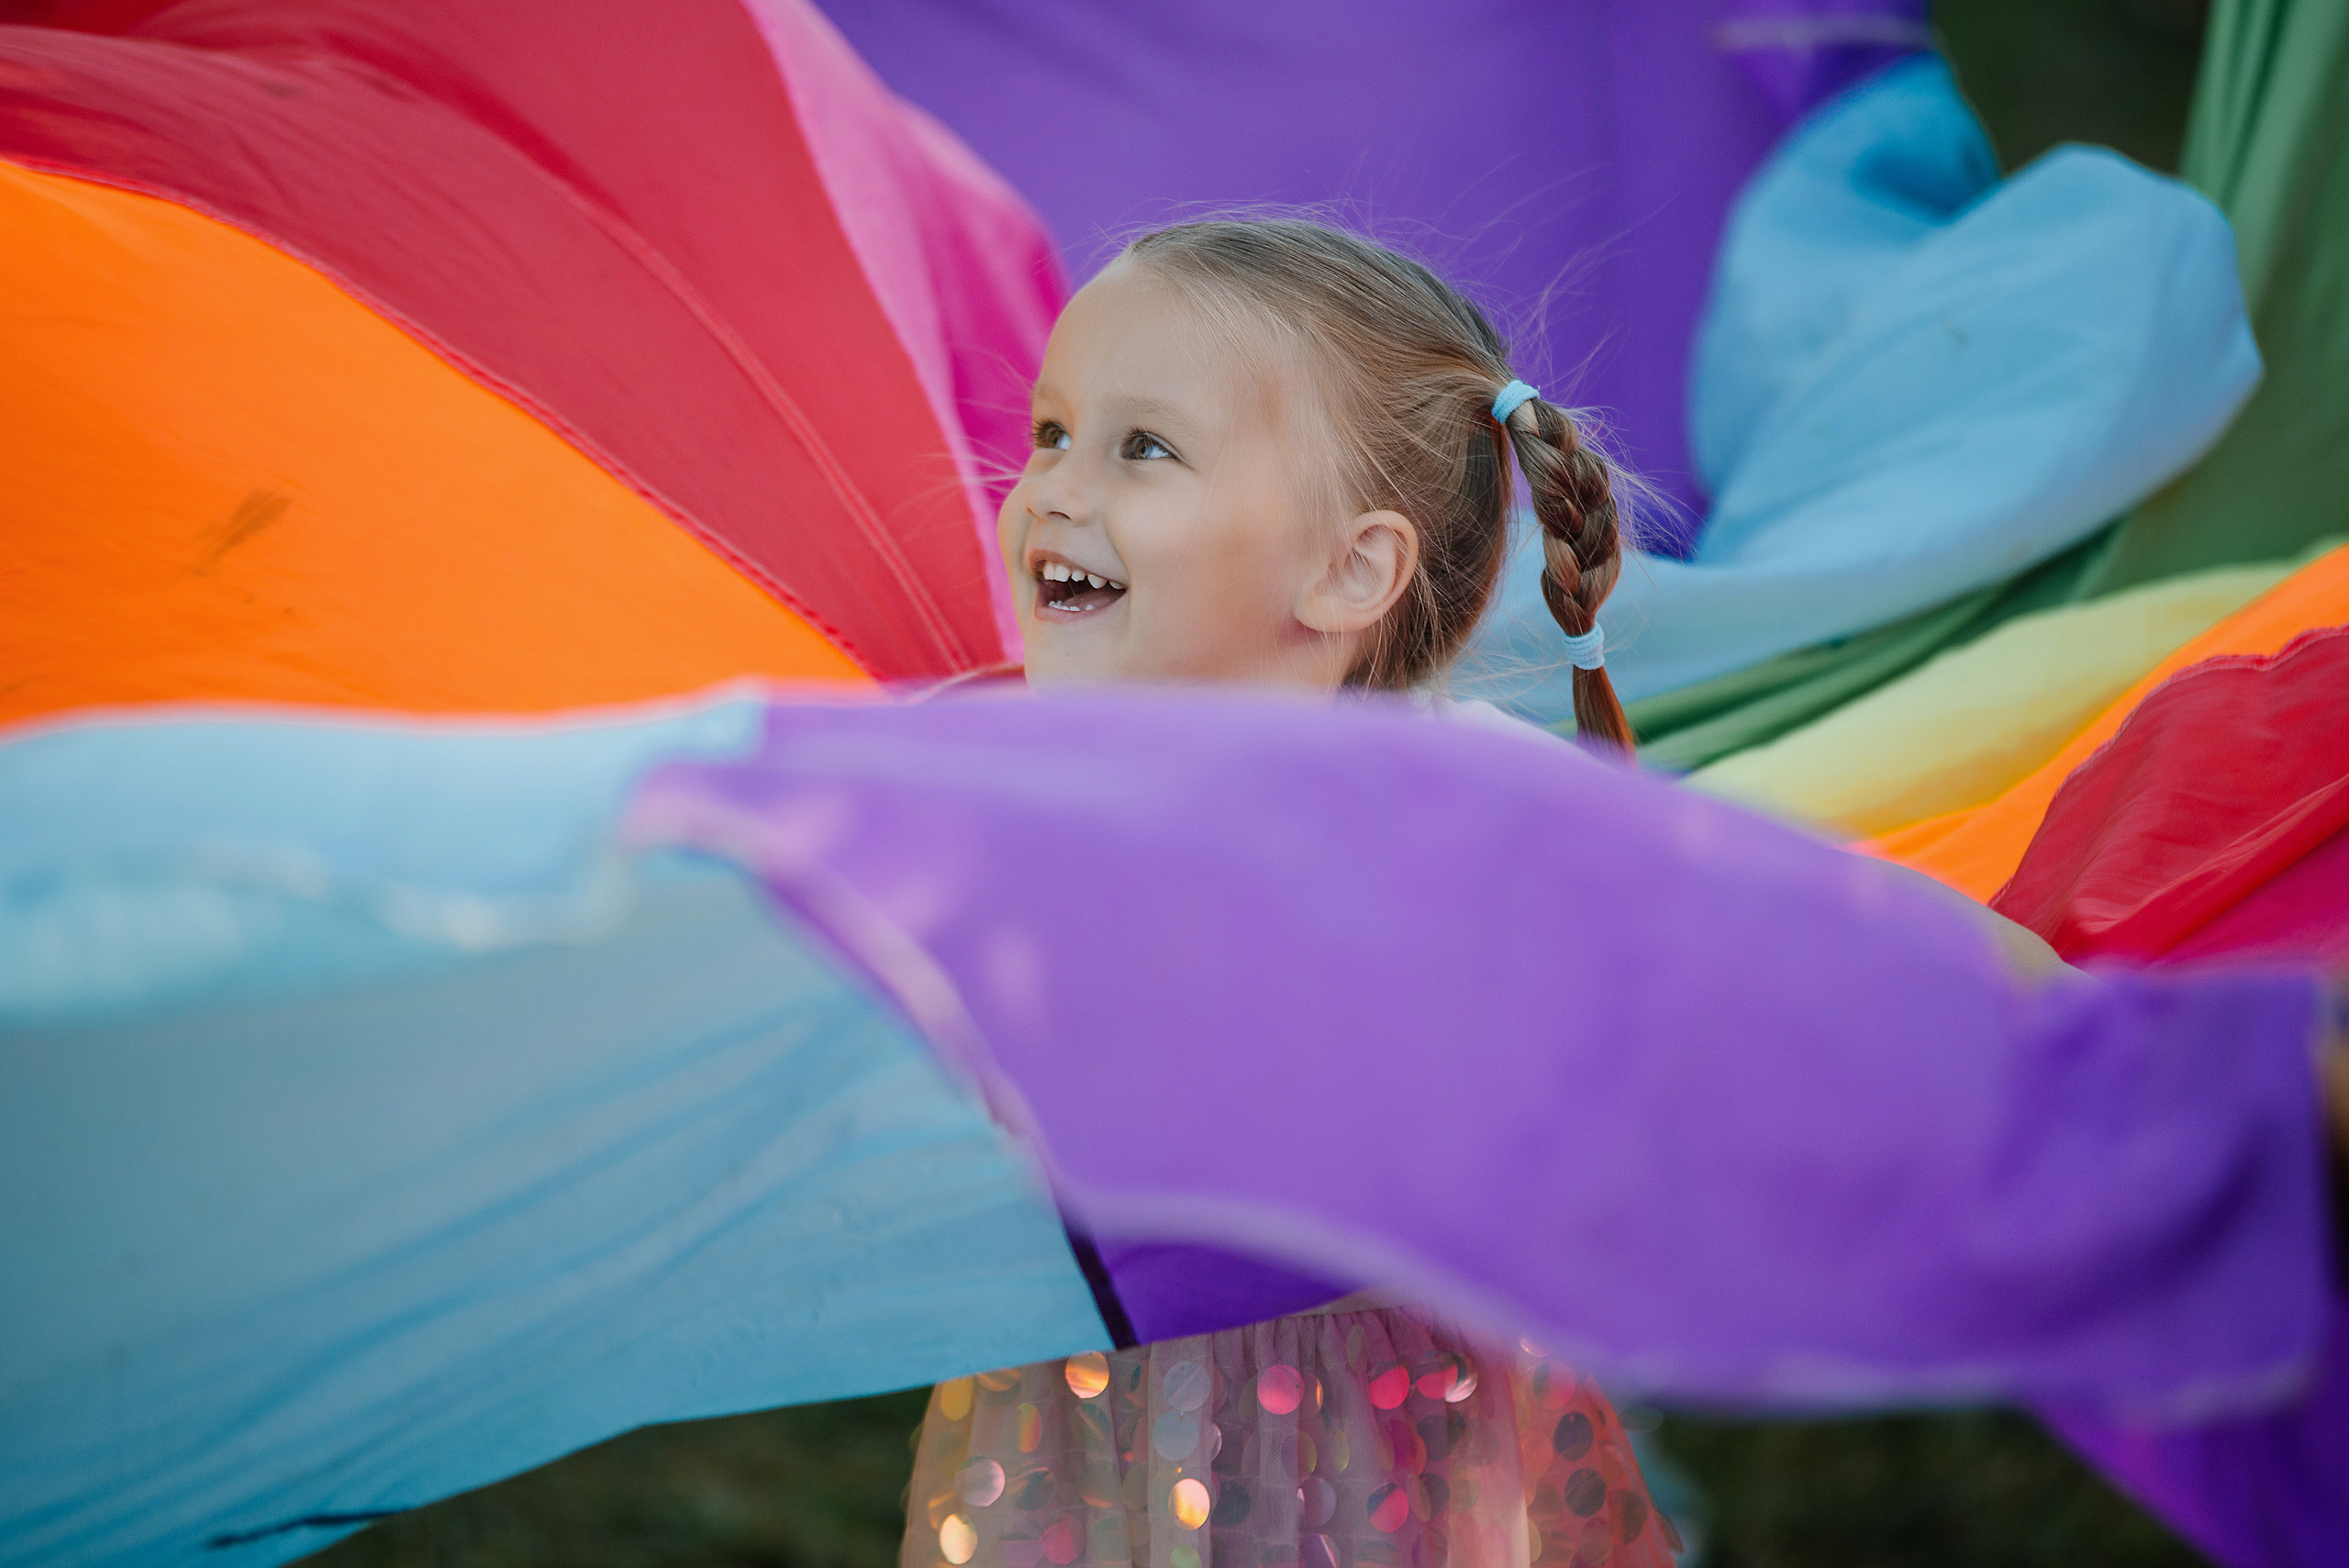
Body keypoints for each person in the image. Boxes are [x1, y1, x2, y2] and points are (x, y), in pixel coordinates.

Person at [903, 217, 1676, 1568]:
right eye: (1050, 432)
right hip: (1096, 1415)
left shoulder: (1464, 809)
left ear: (1346, 569)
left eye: (1143, 448)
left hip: (1381, 1443)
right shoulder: (1012, 791)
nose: (1050, 488)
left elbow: (1717, 972)